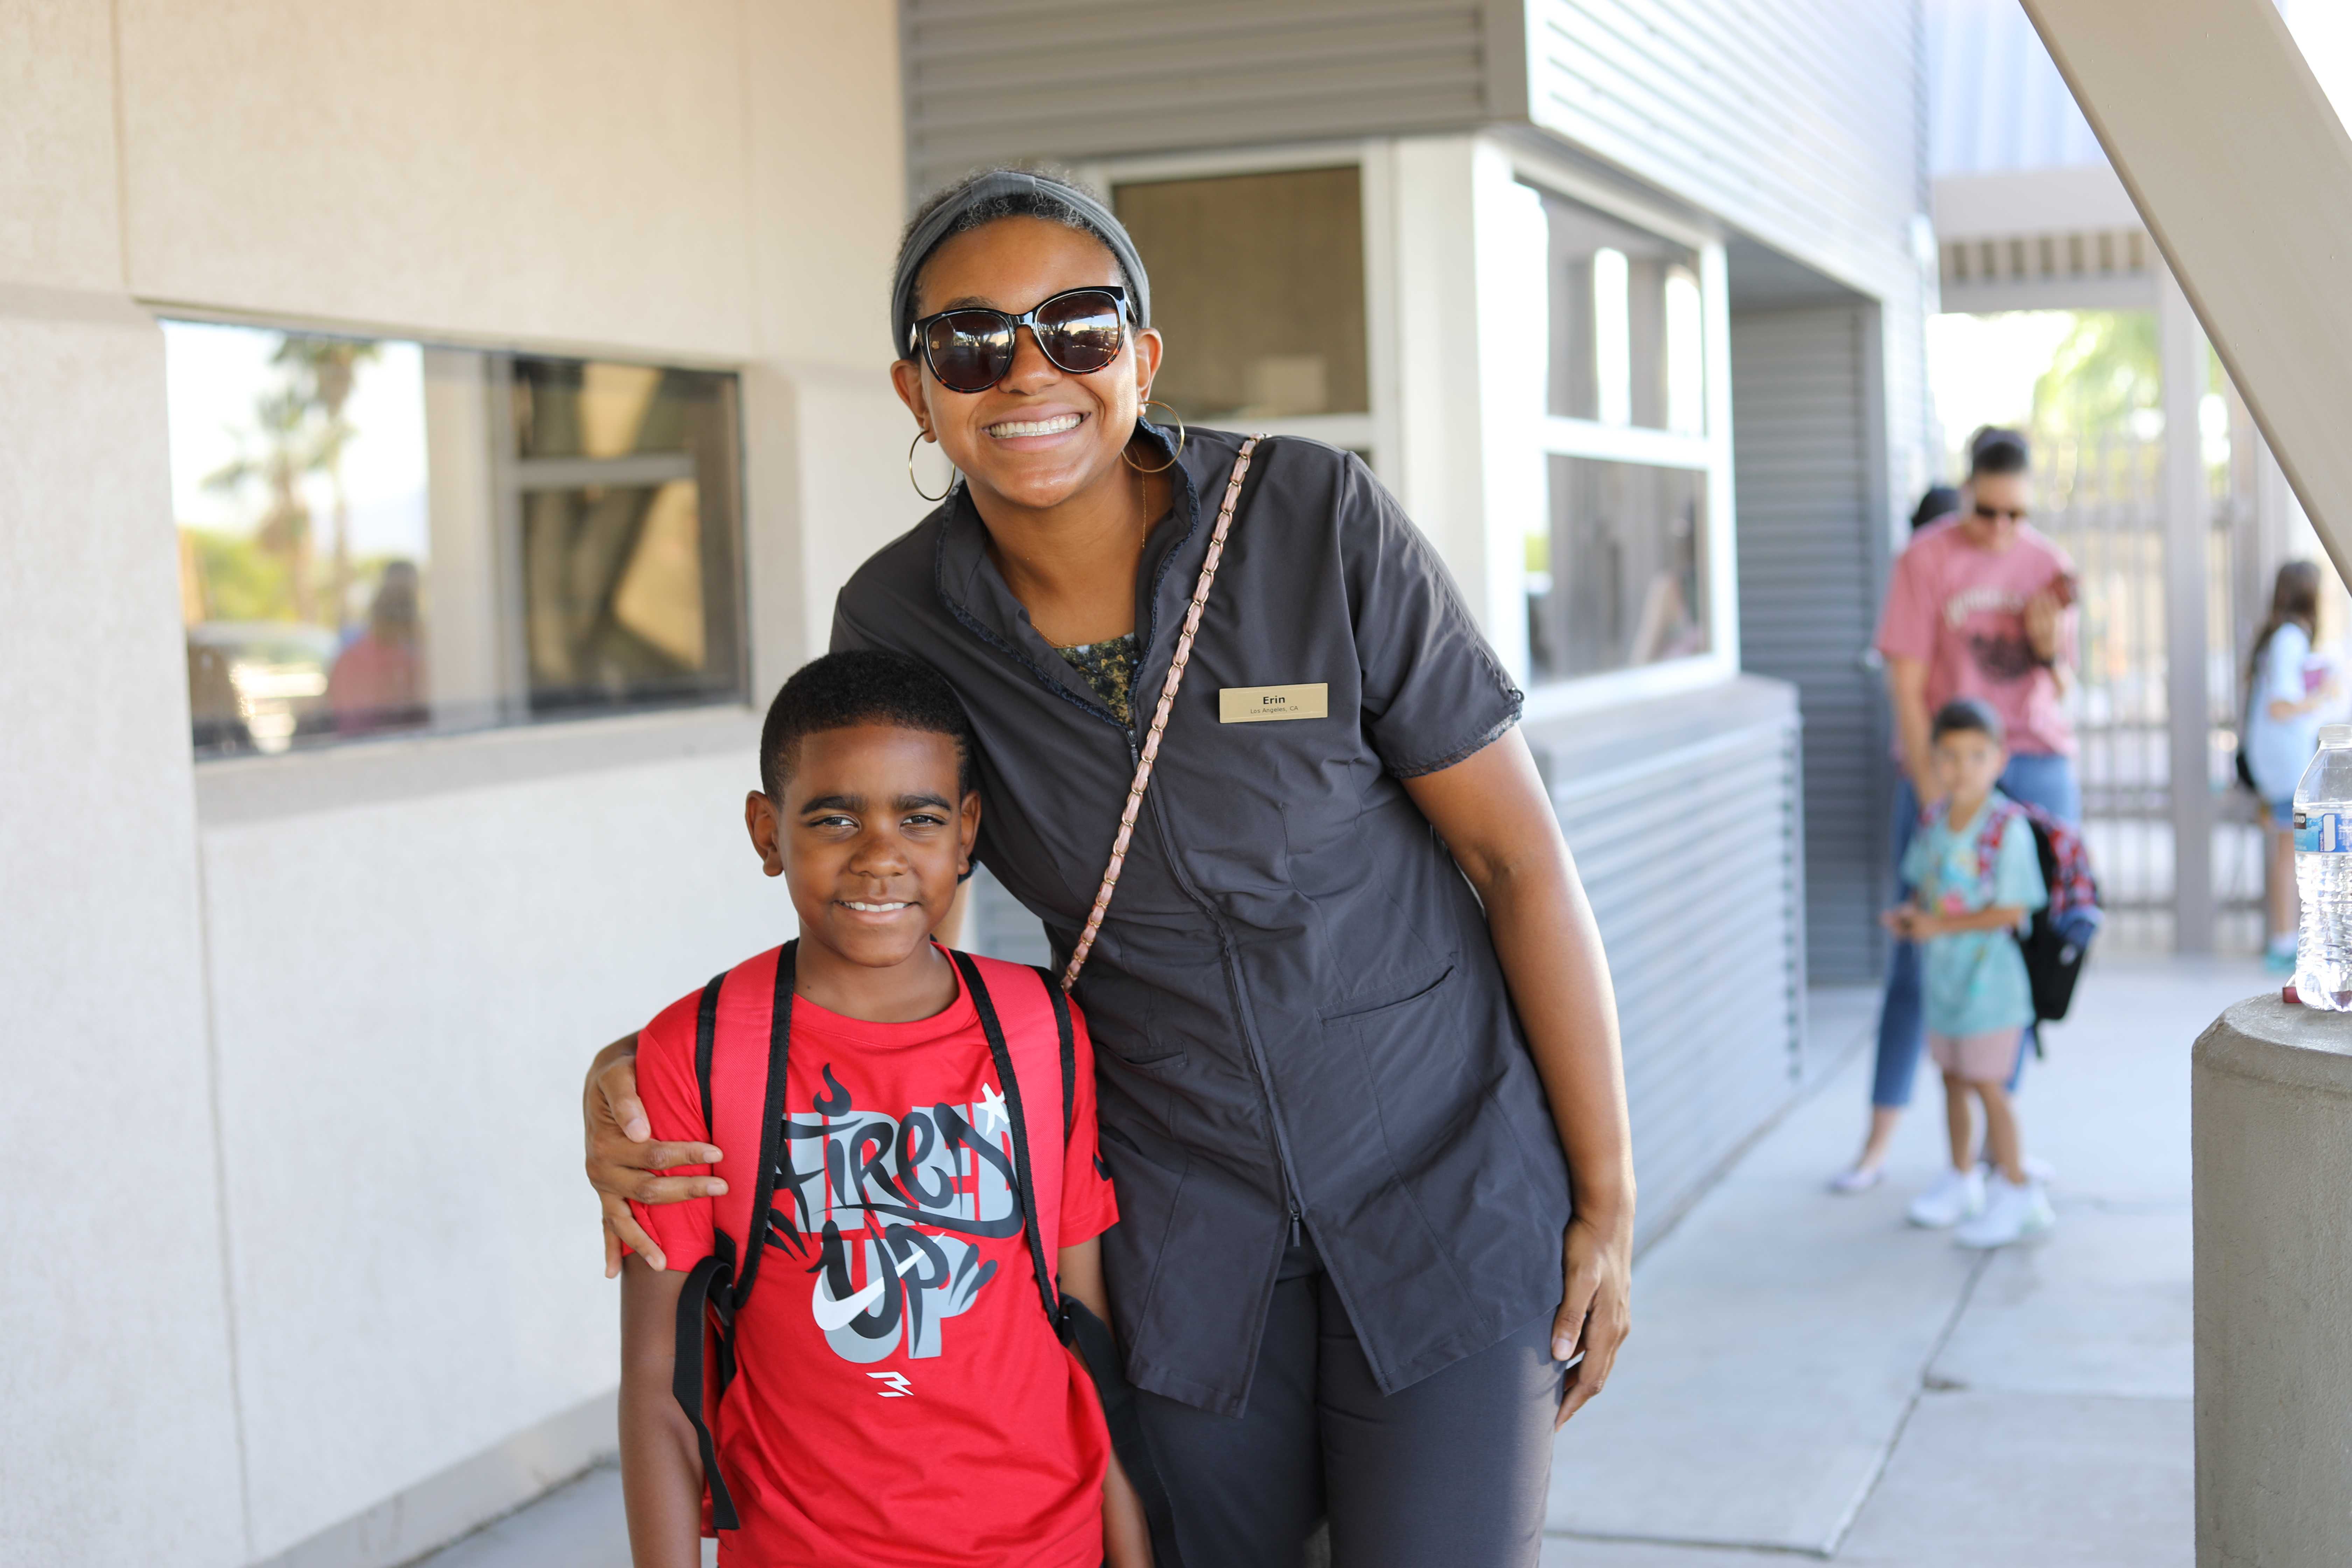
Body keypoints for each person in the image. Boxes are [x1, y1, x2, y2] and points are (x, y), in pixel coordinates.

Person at [584, 168, 1634, 1568]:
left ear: (1141, 353)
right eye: (971, 342)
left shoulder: (1314, 517)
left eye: (1076, 327)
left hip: (1442, 1174)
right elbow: (872, 882)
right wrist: (645, 1063)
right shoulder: (897, 613)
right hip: (1177, 1212)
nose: (1027, 370)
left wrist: (1608, 1192)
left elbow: (1517, 862)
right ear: (917, 390)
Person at [618, 651, 1147, 1568]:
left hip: (1044, 1546)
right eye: (833, 818)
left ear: (967, 831)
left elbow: (1082, 1331)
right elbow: (658, 1393)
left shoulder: (1039, 1030)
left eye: (921, 818)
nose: (880, 856)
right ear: (766, 831)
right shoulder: (695, 1054)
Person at [1833, 429, 2078, 1194]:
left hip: (2034, 758)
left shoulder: (2047, 564)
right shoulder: (1926, 559)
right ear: (1967, 487)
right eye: (1988, 508)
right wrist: (1938, 792)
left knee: (2023, 949)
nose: (2002, 527)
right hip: (1947, 772)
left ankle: (2002, 1144)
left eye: (2016, 512)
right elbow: (1905, 688)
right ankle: (1878, 1141)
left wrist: (2048, 641)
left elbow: (2062, 683)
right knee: (1921, 944)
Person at [1883, 699, 2056, 1248]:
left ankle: (2018, 1189)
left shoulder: (2007, 829)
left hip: (1992, 988)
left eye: (1977, 756)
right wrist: (1913, 918)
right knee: (1953, 1080)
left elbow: (2014, 910)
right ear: (1933, 760)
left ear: (2001, 760)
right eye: (1951, 756)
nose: (1963, 768)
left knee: (1990, 1087)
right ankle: (1961, 1179)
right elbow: (1924, 885)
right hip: (1946, 984)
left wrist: (1938, 927)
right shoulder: (1933, 821)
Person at [2242, 560, 2337, 972]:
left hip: (2276, 764)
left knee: (2288, 849)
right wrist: (2323, 696)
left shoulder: (2279, 638)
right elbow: (2281, 706)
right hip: (2287, 766)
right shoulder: (2290, 639)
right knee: (2293, 851)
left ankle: (2285, 939)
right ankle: (2286, 942)